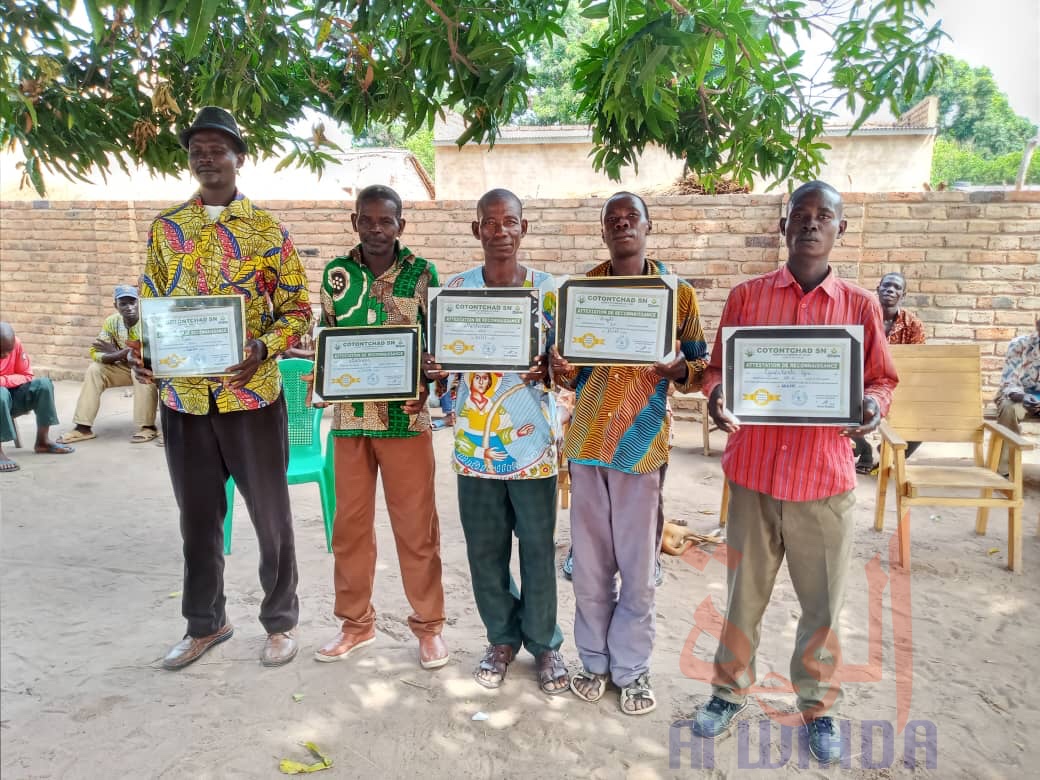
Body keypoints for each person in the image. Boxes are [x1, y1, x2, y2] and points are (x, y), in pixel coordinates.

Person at [690, 181, 898, 765]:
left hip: (823, 480)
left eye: (823, 216)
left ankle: (818, 707)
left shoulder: (859, 306)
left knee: (824, 605)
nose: (810, 225)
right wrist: (715, 397)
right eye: (800, 216)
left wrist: (873, 409)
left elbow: (881, 380)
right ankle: (727, 693)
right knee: (741, 597)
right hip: (754, 476)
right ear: (784, 227)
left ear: (840, 230)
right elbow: (715, 373)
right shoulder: (747, 298)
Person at [131, 106, 312, 670]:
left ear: (239, 157)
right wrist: (145, 354)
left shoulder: (268, 231)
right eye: (197, 150)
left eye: (218, 148)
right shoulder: (167, 229)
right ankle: (205, 625)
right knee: (197, 519)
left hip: (251, 397)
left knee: (271, 517)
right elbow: (149, 305)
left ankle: (280, 623)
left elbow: (298, 310)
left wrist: (262, 347)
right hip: (184, 401)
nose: (206, 158)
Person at [550, 191, 708, 716]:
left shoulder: (675, 293)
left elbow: (700, 369)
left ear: (647, 226)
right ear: (603, 231)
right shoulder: (581, 292)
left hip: (641, 448)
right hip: (587, 446)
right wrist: (556, 364)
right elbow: (566, 372)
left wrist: (676, 371)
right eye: (613, 220)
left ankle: (633, 670)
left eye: (630, 219)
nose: (622, 227)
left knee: (638, 569)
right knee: (591, 566)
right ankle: (594, 661)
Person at [426, 188, 568, 694]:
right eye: (490, 222)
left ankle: (545, 642)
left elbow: (568, 370)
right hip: (474, 443)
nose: (500, 231)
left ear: (524, 229)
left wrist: (553, 366)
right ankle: (502, 638)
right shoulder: (454, 290)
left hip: (533, 446)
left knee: (536, 548)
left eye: (510, 221)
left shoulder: (551, 291)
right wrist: (437, 368)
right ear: (476, 230)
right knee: (485, 551)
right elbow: (438, 367)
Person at [312, 185, 448, 671]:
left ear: (400, 226)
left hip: (405, 420)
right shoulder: (336, 275)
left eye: (385, 221)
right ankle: (356, 623)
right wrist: (321, 369)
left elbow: (439, 344)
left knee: (416, 530)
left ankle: (428, 626)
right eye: (366, 220)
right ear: (354, 223)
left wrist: (434, 370)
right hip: (349, 421)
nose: (375, 229)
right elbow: (323, 337)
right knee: (349, 530)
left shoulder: (422, 274)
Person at [57, 285, 159, 444]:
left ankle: (147, 427)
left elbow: (151, 355)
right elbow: (95, 351)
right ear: (115, 306)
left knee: (139, 370)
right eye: (123, 304)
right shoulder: (112, 322)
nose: (129, 307)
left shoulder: (150, 321)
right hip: (125, 366)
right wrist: (124, 353)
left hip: (151, 369)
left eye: (133, 302)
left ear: (140, 302)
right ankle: (83, 428)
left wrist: (116, 353)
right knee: (95, 369)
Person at [852, 271, 925, 472]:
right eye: (886, 286)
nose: (890, 290)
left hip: (898, 384)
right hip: (863, 382)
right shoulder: (861, 317)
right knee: (844, 408)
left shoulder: (913, 325)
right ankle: (864, 450)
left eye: (896, 287)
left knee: (924, 419)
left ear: (904, 294)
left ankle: (888, 460)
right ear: (878, 289)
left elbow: (916, 362)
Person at [1, 322, 75, 472]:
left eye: (8, 351)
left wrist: (3, 380)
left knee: (44, 385)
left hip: (12, 397)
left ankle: (43, 441)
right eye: (1, 352)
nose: (5, 356)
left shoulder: (16, 343)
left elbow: (26, 376)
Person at [994, 317, 1040, 476]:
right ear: (1037, 325)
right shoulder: (1020, 345)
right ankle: (1004, 471)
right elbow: (1009, 382)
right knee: (1008, 408)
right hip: (1020, 394)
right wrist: (1022, 397)